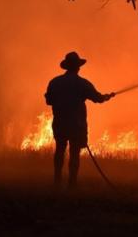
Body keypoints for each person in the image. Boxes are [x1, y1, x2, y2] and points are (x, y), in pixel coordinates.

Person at [45, 51, 115, 189]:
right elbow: (97, 98)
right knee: (74, 154)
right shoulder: (82, 83)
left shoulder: (55, 82)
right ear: (77, 67)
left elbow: (49, 101)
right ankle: (72, 184)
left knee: (59, 150)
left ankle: (57, 181)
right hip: (77, 124)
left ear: (66, 67)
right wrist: (107, 97)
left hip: (60, 123)